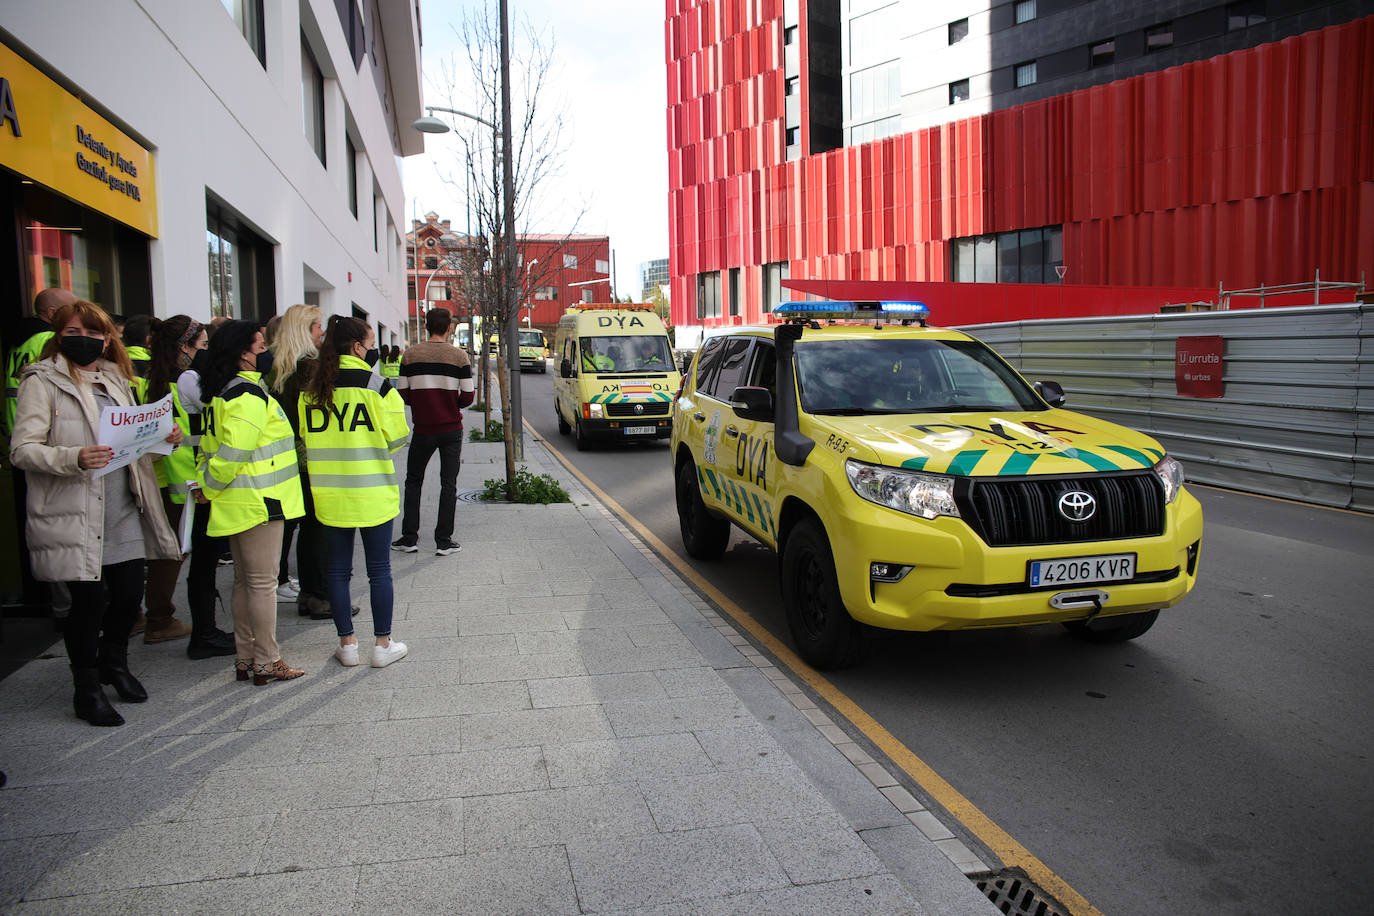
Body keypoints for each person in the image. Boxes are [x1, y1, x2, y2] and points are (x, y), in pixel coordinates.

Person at [10, 299, 181, 726]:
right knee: (87, 605)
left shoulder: (116, 380)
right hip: (75, 511)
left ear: (107, 338)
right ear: (58, 335)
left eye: (93, 334)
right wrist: (73, 457)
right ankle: (86, 687)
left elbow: (131, 439)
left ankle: (115, 663)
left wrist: (165, 436)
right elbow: (22, 450)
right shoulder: (41, 381)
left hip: (123, 504)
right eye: (73, 333)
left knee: (127, 595)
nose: (84, 341)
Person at [197, 320, 306, 686]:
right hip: (261, 503)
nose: (266, 352)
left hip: (238, 502)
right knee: (262, 585)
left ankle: (246, 658)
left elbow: (209, 451)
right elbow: (231, 454)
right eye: (260, 347)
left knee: (245, 583)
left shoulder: (221, 394)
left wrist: (206, 486)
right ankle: (267, 660)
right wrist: (209, 486)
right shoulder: (248, 397)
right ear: (243, 354)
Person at [301, 317, 410, 668]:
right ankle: (382, 645)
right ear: (357, 347)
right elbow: (397, 439)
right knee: (379, 570)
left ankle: (347, 644)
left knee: (337, 572)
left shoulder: (311, 390)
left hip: (330, 494)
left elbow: (307, 439)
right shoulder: (379, 387)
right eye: (370, 341)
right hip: (372, 491)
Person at [143, 316, 233, 656]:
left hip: (166, 478)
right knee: (195, 559)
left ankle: (162, 618)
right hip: (190, 482)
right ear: (185, 347)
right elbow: (217, 406)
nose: (206, 353)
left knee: (175, 555)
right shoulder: (188, 379)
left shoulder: (152, 378)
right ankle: (184, 628)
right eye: (204, 346)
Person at [392, 307, 474, 556]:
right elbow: (468, 396)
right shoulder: (460, 357)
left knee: (413, 480)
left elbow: (402, 393)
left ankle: (409, 538)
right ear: (449, 327)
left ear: (426, 326)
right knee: (449, 484)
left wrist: (422, 404)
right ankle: (443, 541)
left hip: (423, 429)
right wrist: (450, 405)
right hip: (451, 429)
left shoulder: (410, 355)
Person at [267, 304, 330, 616]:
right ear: (306, 330)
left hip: (282, 458)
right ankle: (317, 595)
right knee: (316, 530)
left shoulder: (275, 364)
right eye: (318, 327)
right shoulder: (307, 367)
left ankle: (308, 593)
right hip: (309, 459)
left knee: (300, 527)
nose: (322, 333)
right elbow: (315, 417)